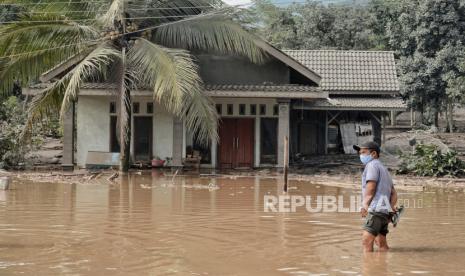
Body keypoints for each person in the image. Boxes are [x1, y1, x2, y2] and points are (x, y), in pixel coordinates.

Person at [353, 141, 397, 253]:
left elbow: (371, 187)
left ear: (373, 154)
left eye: (363, 152)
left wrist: (365, 205)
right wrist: (390, 209)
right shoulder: (384, 169)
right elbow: (394, 193)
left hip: (375, 209)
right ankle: (382, 266)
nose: (361, 155)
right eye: (360, 153)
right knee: (381, 244)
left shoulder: (371, 165)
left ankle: (368, 269)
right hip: (384, 212)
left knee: (366, 241)